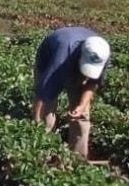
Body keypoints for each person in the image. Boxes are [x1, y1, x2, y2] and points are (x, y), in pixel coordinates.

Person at [33, 26, 111, 159]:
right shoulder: (61, 58)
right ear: (80, 55)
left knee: (81, 115)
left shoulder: (102, 53)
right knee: (46, 113)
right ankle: (42, 153)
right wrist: (35, 121)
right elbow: (42, 94)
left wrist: (80, 106)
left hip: (73, 57)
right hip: (49, 59)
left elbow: (93, 83)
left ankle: (78, 158)